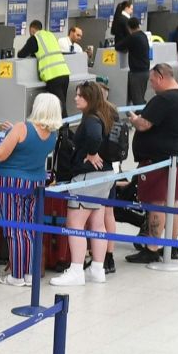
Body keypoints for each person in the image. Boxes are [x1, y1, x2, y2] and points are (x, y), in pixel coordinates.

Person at [51, 80, 117, 287]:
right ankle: (97, 269)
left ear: (90, 98)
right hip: (105, 175)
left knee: (75, 224)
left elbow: (95, 137)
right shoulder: (107, 114)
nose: (75, 98)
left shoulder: (91, 119)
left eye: (80, 95)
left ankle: (76, 270)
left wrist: (92, 152)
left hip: (88, 177)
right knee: (97, 223)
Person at [0, 96, 58, 287]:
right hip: (36, 182)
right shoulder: (53, 133)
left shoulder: (21, 128)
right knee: (29, 227)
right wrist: (12, 132)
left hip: (12, 181)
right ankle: (29, 273)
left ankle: (17, 275)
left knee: (14, 228)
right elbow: (29, 144)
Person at [124, 63, 178, 256]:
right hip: (177, 157)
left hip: (158, 161)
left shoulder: (163, 99)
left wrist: (134, 119)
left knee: (156, 203)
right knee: (173, 200)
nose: (151, 85)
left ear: (161, 77)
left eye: (153, 81)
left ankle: (152, 248)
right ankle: (172, 246)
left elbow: (144, 124)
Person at [34, 23, 73, 114]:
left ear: (32, 30)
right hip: (64, 74)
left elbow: (22, 54)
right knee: (61, 103)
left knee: (58, 105)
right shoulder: (51, 37)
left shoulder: (36, 38)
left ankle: (63, 123)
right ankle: (63, 122)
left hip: (53, 76)